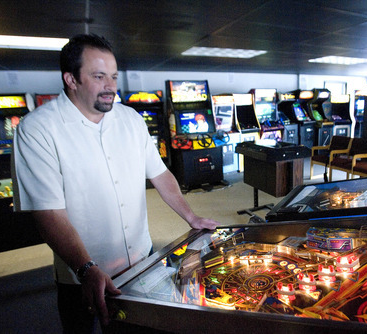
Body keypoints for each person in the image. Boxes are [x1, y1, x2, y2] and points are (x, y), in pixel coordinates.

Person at [12, 34, 220, 333]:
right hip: (81, 274)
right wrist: (86, 269)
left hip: (141, 261)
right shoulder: (37, 130)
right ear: (71, 79)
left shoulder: (131, 119)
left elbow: (160, 174)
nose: (111, 86)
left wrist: (191, 216)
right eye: (99, 76)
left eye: (113, 76)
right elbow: (48, 213)